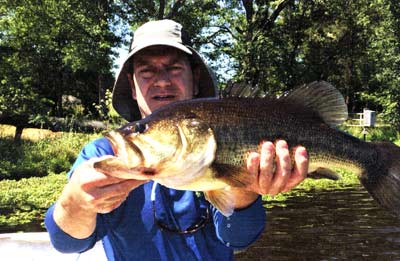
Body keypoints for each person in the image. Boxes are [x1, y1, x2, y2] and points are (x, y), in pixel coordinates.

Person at [45, 19, 309, 260]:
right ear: (133, 86)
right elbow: (67, 244)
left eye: (173, 68)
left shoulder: (218, 144)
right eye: (147, 71)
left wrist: (243, 188)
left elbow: (238, 238)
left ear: (194, 80)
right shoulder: (105, 154)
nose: (161, 81)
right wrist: (76, 202)